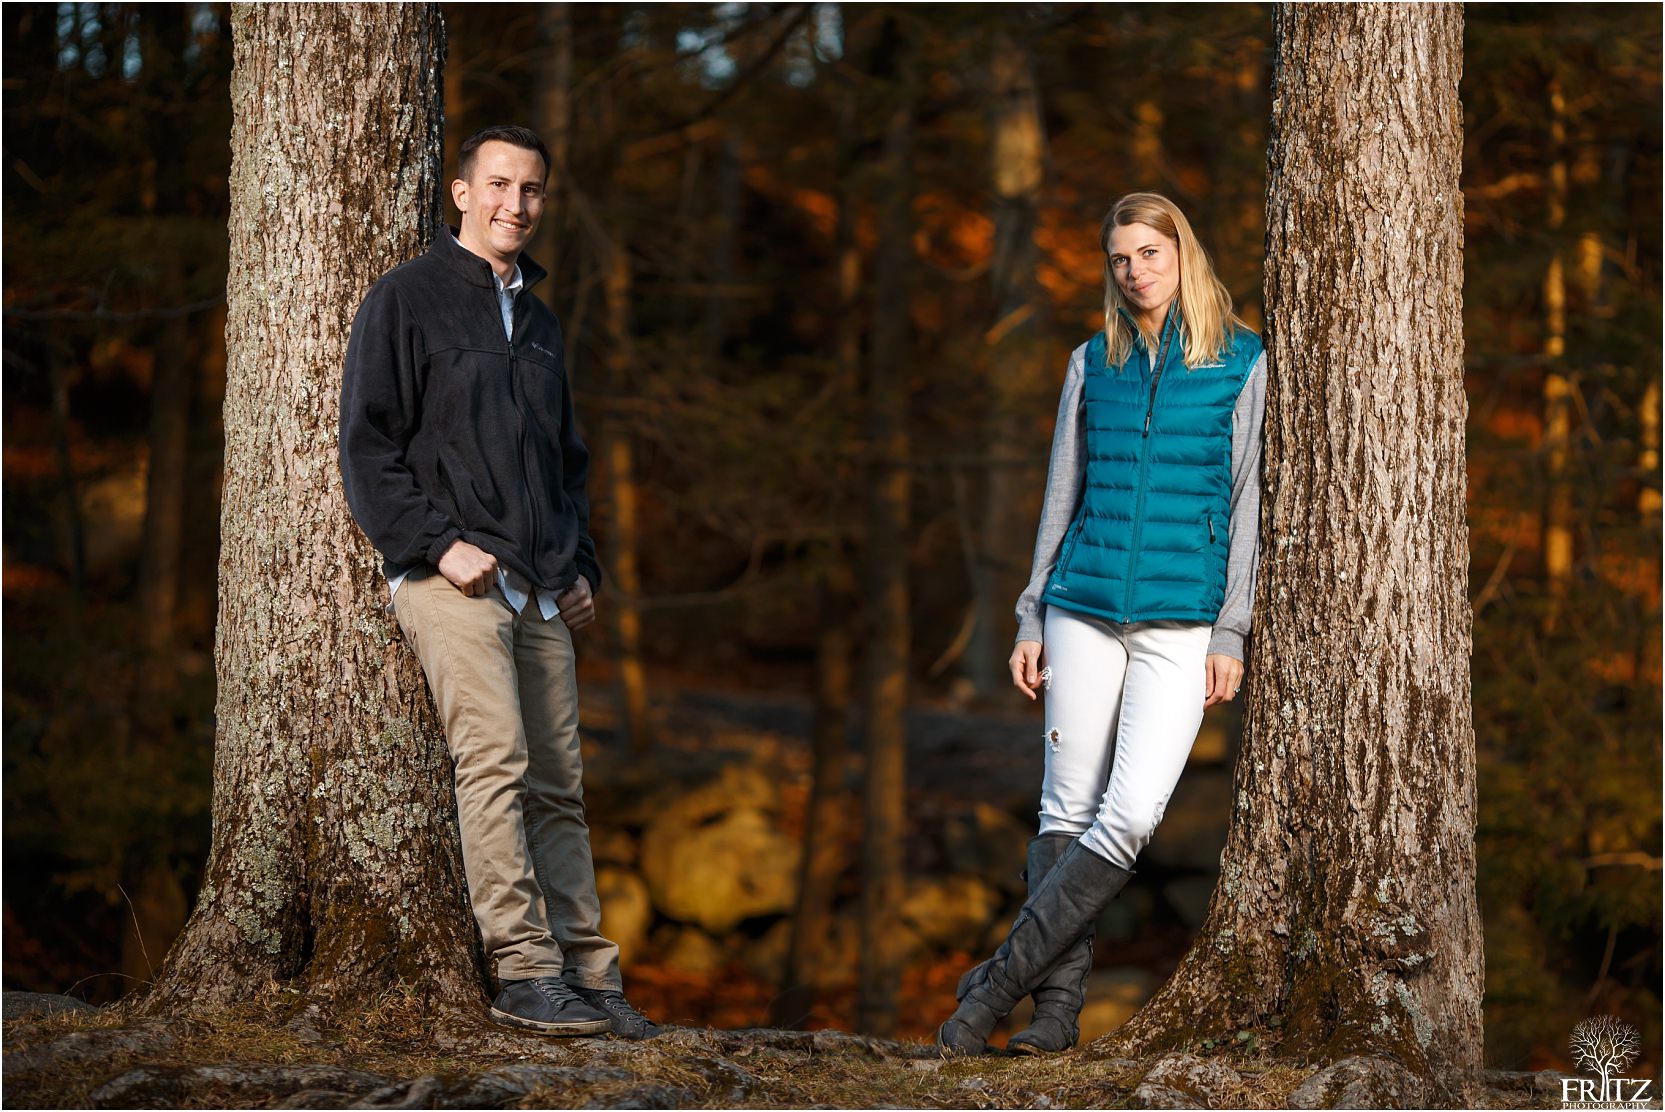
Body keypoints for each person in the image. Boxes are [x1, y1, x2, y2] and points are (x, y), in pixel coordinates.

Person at [339, 125, 658, 1039]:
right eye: (500, 186)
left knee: (560, 783)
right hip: (454, 580)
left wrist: (579, 563)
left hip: (539, 584)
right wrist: (437, 545)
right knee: (496, 765)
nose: (516, 205)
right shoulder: (407, 299)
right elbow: (369, 444)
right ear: (460, 191)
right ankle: (522, 972)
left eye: (532, 191)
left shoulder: (544, 323)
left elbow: (566, 463)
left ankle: (590, 977)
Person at [937, 192, 1266, 1057]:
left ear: (1181, 255)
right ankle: (1051, 1019)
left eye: (1150, 253)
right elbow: (1062, 491)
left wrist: (1231, 629)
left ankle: (992, 988)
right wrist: (1030, 614)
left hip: (1181, 622)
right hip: (1079, 606)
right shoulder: (1093, 360)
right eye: (1120, 258)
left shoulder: (1240, 361)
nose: (1135, 271)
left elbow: (1248, 504)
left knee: (1128, 817)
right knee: (1065, 809)